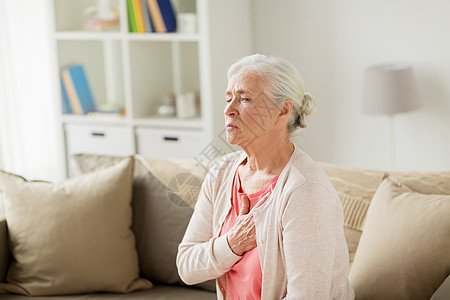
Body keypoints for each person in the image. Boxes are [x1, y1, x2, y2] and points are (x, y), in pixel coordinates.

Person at [176, 54, 354, 299]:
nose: (229, 110)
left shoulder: (305, 190)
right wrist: (233, 243)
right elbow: (186, 266)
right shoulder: (221, 172)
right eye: (228, 99)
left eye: (245, 99)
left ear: (282, 110)